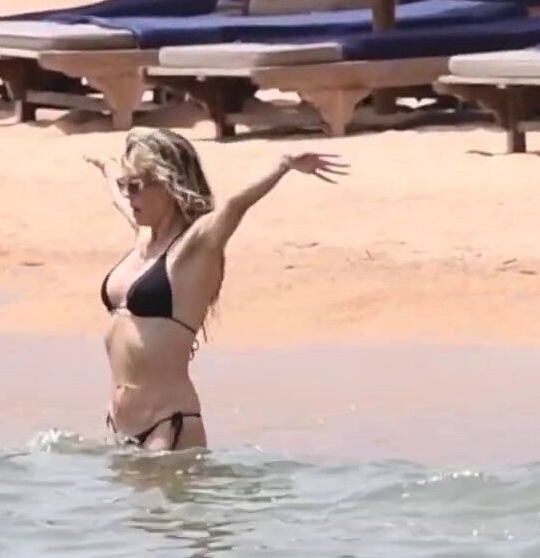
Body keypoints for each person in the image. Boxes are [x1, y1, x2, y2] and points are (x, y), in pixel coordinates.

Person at [87, 129, 348, 452]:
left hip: (167, 424)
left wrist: (283, 164)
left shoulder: (194, 247)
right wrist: (107, 165)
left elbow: (235, 205)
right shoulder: (144, 240)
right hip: (120, 426)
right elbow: (117, 197)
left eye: (135, 186)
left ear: (167, 185)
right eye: (125, 185)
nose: (128, 195)